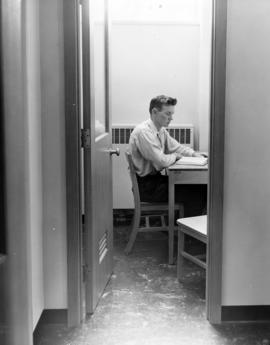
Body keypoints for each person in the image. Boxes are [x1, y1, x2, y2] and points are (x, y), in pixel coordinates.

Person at [129, 95, 207, 217]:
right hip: (147, 187)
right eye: (168, 114)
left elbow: (176, 147)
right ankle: (186, 232)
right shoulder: (144, 132)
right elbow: (161, 161)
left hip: (155, 182)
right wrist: (175, 156)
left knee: (198, 186)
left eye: (172, 114)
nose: (171, 118)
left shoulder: (160, 130)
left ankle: (181, 226)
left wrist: (194, 154)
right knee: (199, 191)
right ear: (155, 112)